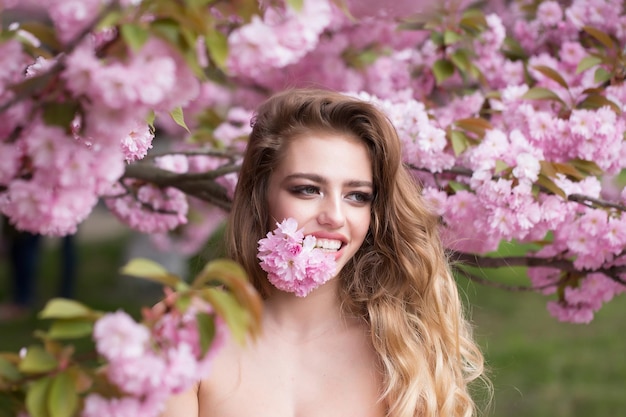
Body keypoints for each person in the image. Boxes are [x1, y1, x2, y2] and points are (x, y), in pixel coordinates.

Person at [162, 88, 489, 416]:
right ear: (260, 195)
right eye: (307, 189)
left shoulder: (404, 347)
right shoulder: (188, 329)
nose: (334, 216)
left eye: (357, 196)